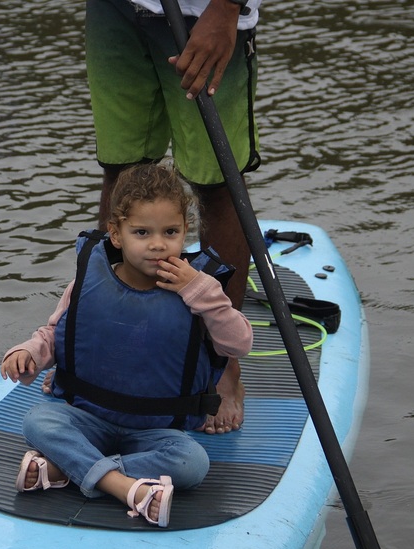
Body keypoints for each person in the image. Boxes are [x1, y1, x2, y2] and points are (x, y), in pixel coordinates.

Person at [0, 163, 253, 527]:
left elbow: (240, 343)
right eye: (142, 232)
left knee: (192, 463)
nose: (157, 244)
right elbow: (56, 334)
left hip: (157, 432)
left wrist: (198, 290)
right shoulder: (89, 279)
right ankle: (122, 485)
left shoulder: (200, 288)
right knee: (38, 421)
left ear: (185, 232)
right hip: (88, 418)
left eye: (170, 231)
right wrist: (28, 353)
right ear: (116, 234)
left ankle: (69, 469)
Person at [85, 0, 263, 434]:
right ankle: (99, 344)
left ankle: (222, 364)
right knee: (120, 170)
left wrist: (226, 8)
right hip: (114, 7)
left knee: (216, 183)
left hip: (200, 12)